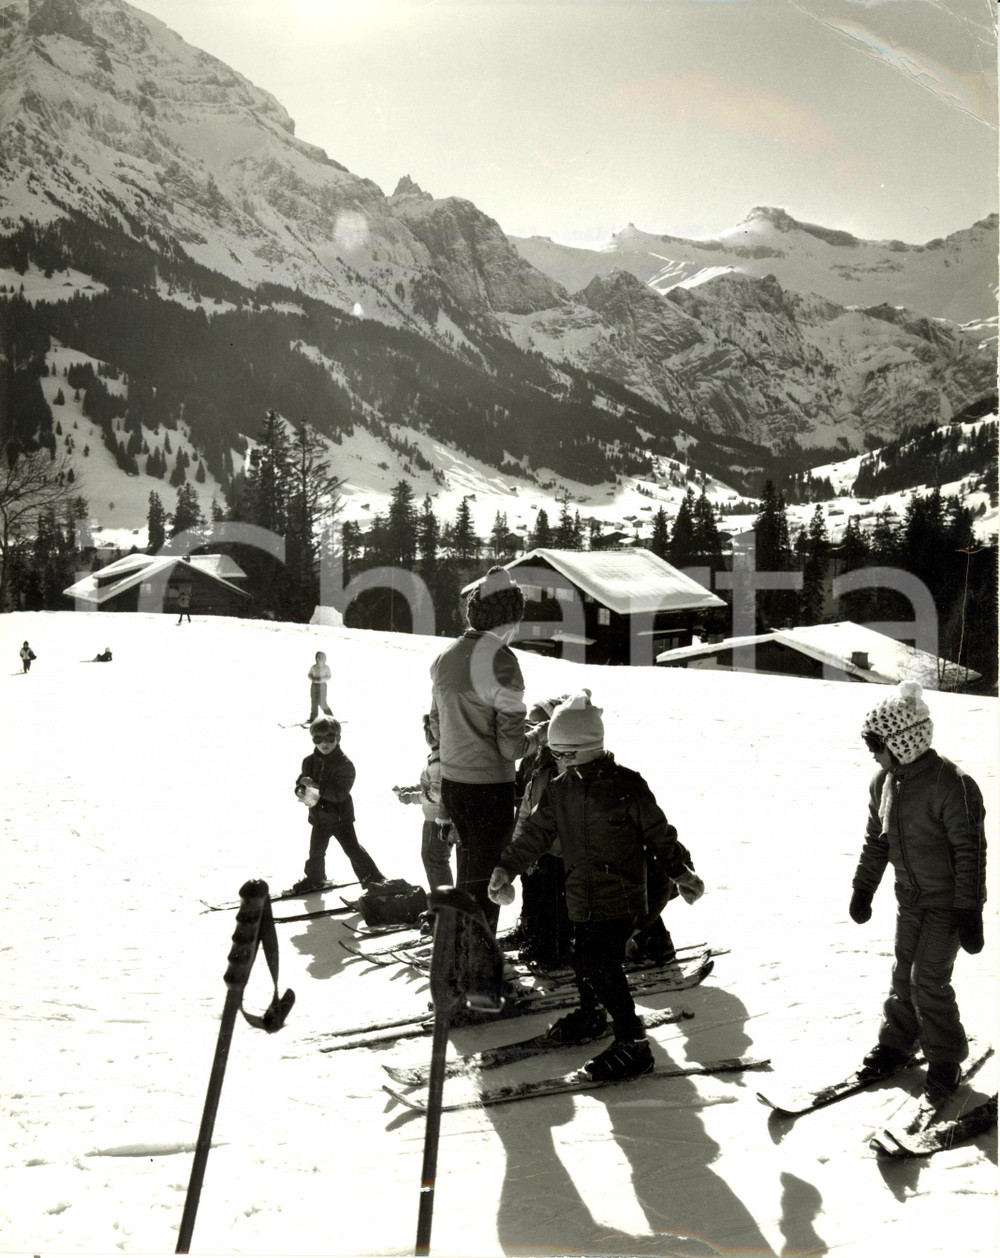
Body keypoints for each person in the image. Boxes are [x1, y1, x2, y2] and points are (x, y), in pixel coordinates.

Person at [488, 689, 705, 1081]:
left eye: (566, 754)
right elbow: (535, 833)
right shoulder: (561, 788)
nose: (559, 761)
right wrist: (506, 868)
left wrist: (681, 874)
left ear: (589, 748)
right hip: (581, 892)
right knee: (582, 954)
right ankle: (592, 1014)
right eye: (556, 754)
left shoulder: (627, 785)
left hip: (622, 893)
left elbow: (660, 835)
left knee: (598, 961)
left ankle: (633, 1042)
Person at [850, 680, 987, 1102]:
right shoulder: (885, 783)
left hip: (948, 904)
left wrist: (969, 910)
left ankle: (945, 1058)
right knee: (903, 974)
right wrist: (863, 887)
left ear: (902, 742)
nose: (871, 752)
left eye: (876, 743)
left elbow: (970, 852)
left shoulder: (952, 784)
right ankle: (897, 1041)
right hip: (909, 898)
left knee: (928, 979)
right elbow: (877, 840)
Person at [428, 565, 539, 933]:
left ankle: (458, 950)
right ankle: (476, 965)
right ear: (507, 620)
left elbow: (435, 730)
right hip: (489, 790)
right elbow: (511, 747)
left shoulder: (445, 658)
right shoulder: (503, 663)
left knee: (468, 876)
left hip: (454, 786)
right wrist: (540, 736)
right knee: (489, 882)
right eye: (516, 620)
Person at [509, 694, 573, 970]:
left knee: (554, 901)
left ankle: (554, 949)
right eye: (527, 726)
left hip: (556, 847)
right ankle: (534, 935)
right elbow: (525, 801)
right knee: (534, 891)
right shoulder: (534, 762)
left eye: (535, 726)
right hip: (536, 843)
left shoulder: (561, 764)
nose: (530, 732)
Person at [291, 716, 386, 894]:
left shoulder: (345, 764)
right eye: (318, 739)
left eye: (329, 738)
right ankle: (315, 878)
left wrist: (316, 786)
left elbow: (339, 793)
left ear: (338, 738)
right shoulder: (308, 761)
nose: (324, 743)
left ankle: (374, 879)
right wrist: (300, 790)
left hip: (340, 817)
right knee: (316, 851)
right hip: (318, 817)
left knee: (352, 849)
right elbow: (300, 781)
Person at [393, 714, 456, 893]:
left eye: (431, 729)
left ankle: (444, 901)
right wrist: (411, 789)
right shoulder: (441, 755)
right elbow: (431, 785)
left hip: (436, 819)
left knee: (434, 859)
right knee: (436, 858)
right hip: (442, 818)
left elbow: (436, 793)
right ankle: (444, 899)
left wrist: (411, 798)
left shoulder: (438, 759)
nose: (428, 734)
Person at [307, 650, 334, 723]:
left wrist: (321, 679)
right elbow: (309, 675)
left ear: (325, 659)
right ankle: (313, 719)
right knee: (314, 703)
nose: (320, 658)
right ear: (316, 658)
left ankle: (331, 717)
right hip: (314, 686)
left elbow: (329, 677)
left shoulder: (326, 668)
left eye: (322, 657)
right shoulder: (313, 667)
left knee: (322, 703)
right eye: (318, 657)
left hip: (322, 686)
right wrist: (312, 678)